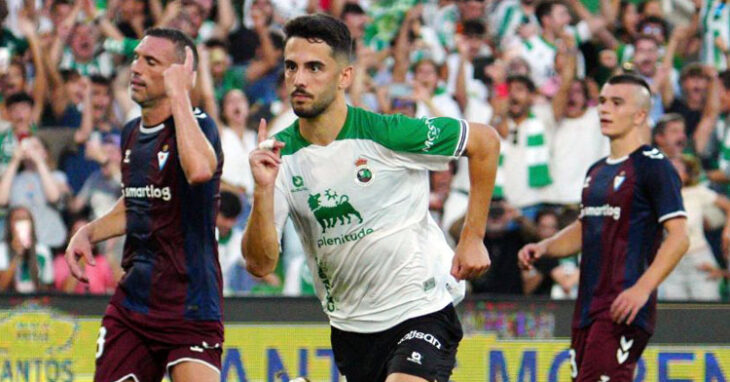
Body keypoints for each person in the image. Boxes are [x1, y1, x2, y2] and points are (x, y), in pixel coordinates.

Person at [242, 14, 499, 382]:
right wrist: (262, 189)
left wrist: (472, 237)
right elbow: (260, 264)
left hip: (421, 307)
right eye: (291, 67)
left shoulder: (385, 133)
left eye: (315, 67)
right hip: (351, 327)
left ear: (345, 76)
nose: (299, 79)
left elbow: (484, 141)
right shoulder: (279, 156)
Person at [64, 28, 223, 382]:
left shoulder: (201, 127)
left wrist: (179, 93)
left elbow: (199, 170)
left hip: (190, 305)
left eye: (151, 62)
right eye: (136, 57)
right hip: (134, 304)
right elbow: (138, 199)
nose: (136, 68)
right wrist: (89, 232)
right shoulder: (131, 132)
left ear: (178, 75)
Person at [518, 74, 689, 381]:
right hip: (587, 306)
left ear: (639, 115)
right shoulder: (596, 171)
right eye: (602, 102)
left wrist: (642, 289)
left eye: (616, 102)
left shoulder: (653, 166)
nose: (604, 109)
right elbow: (587, 226)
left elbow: (679, 237)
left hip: (624, 305)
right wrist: (546, 247)